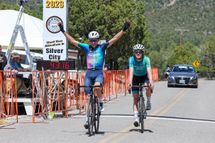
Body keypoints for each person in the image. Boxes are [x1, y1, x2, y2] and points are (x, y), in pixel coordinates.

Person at [58, 21, 130, 129]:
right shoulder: (86, 47)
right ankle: (87, 119)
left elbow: (114, 39)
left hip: (98, 73)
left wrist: (123, 30)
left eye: (95, 40)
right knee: (87, 97)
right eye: (91, 40)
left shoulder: (102, 47)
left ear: (98, 40)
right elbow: (73, 41)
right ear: (89, 40)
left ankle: (100, 102)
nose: (93, 42)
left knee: (96, 87)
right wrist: (62, 30)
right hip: (89, 73)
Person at [128, 44, 154, 127]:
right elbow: (131, 72)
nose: (138, 53)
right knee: (135, 98)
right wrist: (129, 83)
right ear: (134, 53)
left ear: (143, 52)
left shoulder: (146, 59)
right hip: (135, 77)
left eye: (140, 52)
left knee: (147, 86)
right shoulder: (131, 59)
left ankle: (148, 101)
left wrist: (151, 81)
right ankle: (136, 118)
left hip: (144, 76)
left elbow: (149, 71)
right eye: (136, 52)